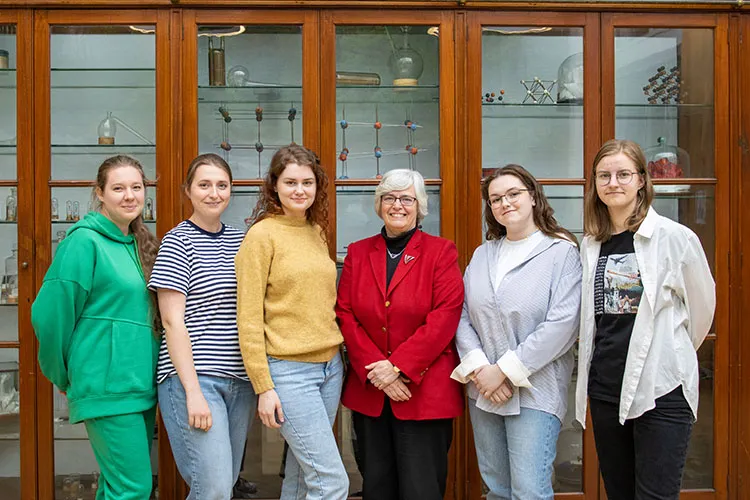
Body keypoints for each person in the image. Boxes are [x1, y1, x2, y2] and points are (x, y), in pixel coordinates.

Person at [576, 139, 716, 500]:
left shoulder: (675, 238)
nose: (613, 183)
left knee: (655, 495)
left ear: (642, 179)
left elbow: (701, 310)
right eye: (604, 175)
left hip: (661, 389)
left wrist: (670, 350)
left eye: (624, 174)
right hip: (606, 389)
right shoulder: (592, 243)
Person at [32, 155, 160, 499]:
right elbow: (48, 314)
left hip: (138, 386)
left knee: (116, 486)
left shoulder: (139, 243)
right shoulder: (83, 242)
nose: (129, 195)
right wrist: (63, 374)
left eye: (136, 187)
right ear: (100, 194)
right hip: (107, 388)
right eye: (118, 188)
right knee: (133, 488)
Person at [452, 164, 582, 500]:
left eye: (513, 194)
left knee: (529, 491)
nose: (505, 203)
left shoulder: (561, 252)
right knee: (496, 490)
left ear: (534, 197)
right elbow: (462, 315)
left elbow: (562, 325)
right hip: (484, 391)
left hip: (535, 392)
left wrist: (505, 372)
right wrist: (482, 370)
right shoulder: (483, 255)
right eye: (496, 199)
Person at [336, 169, 464, 500]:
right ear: (379, 205)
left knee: (421, 490)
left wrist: (397, 367)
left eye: (406, 199)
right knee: (377, 487)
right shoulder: (358, 252)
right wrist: (379, 370)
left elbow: (445, 315)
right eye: (389, 198)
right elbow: (345, 313)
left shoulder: (441, 252)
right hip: (371, 393)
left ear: (419, 206)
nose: (398, 206)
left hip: (424, 394)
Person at [235, 144, 349, 500]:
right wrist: (264, 386)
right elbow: (249, 316)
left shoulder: (315, 231)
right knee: (332, 482)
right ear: (274, 187)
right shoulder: (261, 236)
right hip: (288, 372)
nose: (300, 190)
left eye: (307, 182)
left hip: (330, 368)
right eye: (290, 182)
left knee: (302, 479)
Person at [148, 153, 256, 499]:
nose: (214, 193)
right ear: (188, 191)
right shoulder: (177, 241)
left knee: (223, 485)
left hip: (240, 381)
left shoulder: (241, 241)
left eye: (222, 185)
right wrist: (192, 392)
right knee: (212, 487)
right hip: (194, 380)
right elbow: (171, 321)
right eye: (204, 185)